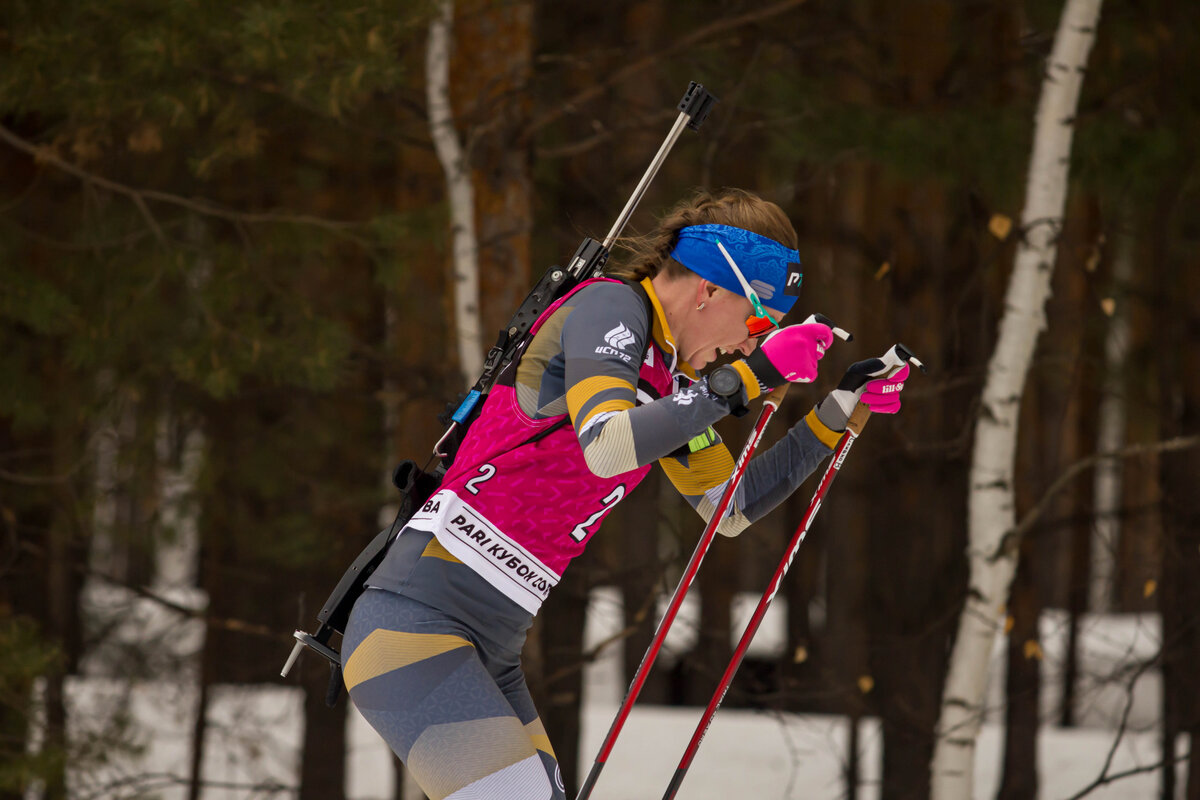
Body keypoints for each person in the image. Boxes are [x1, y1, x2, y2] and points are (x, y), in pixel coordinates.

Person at [341, 188, 909, 799]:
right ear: (708, 289)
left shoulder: (672, 380)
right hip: (415, 624)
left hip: (490, 647)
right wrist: (752, 375)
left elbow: (730, 508)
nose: (751, 343)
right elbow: (608, 444)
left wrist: (834, 413)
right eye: (758, 324)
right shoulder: (612, 309)